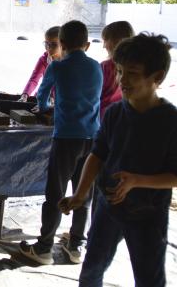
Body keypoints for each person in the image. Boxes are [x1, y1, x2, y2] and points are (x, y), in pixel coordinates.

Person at [59, 33, 176, 287]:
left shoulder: (170, 121)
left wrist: (137, 180)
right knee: (91, 272)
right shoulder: (114, 113)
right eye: (120, 71)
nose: (122, 80)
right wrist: (80, 195)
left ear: (157, 77)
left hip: (148, 216)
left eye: (132, 73)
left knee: (149, 280)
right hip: (108, 209)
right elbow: (97, 155)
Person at [19, 20, 102, 265]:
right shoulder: (96, 67)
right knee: (82, 192)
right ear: (87, 45)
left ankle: (44, 248)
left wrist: (45, 109)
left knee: (55, 192)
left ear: (62, 44)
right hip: (92, 139)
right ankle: (77, 245)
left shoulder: (57, 67)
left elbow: (42, 96)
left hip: (66, 138)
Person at [99, 21, 134, 119]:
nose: (104, 45)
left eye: (106, 40)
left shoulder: (104, 67)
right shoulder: (137, 67)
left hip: (103, 117)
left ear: (116, 41)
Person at [19, 26, 62, 101]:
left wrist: (53, 97)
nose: (48, 48)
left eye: (54, 44)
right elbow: (34, 79)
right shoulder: (43, 59)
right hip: (43, 98)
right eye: (46, 44)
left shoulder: (69, 61)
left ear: (63, 45)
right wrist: (25, 95)